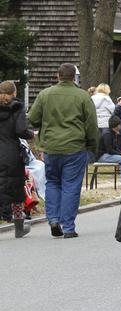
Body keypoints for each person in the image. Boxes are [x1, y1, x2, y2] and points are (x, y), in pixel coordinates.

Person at [27, 63, 99, 238]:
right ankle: (68, 227)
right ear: (74, 77)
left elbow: (33, 118)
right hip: (75, 147)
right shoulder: (82, 96)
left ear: (57, 76)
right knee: (70, 186)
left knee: (52, 182)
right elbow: (91, 125)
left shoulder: (45, 95)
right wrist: (92, 147)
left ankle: (53, 219)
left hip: (51, 147)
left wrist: (44, 126)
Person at [0, 81, 34, 238]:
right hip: (10, 154)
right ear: (14, 92)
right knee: (16, 190)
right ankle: (19, 228)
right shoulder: (17, 107)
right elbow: (20, 130)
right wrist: (31, 134)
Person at [97, 115, 121, 188]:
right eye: (119, 124)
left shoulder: (112, 132)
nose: (120, 126)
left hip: (107, 154)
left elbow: (115, 147)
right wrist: (120, 154)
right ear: (116, 125)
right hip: (102, 156)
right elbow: (110, 150)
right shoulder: (107, 134)